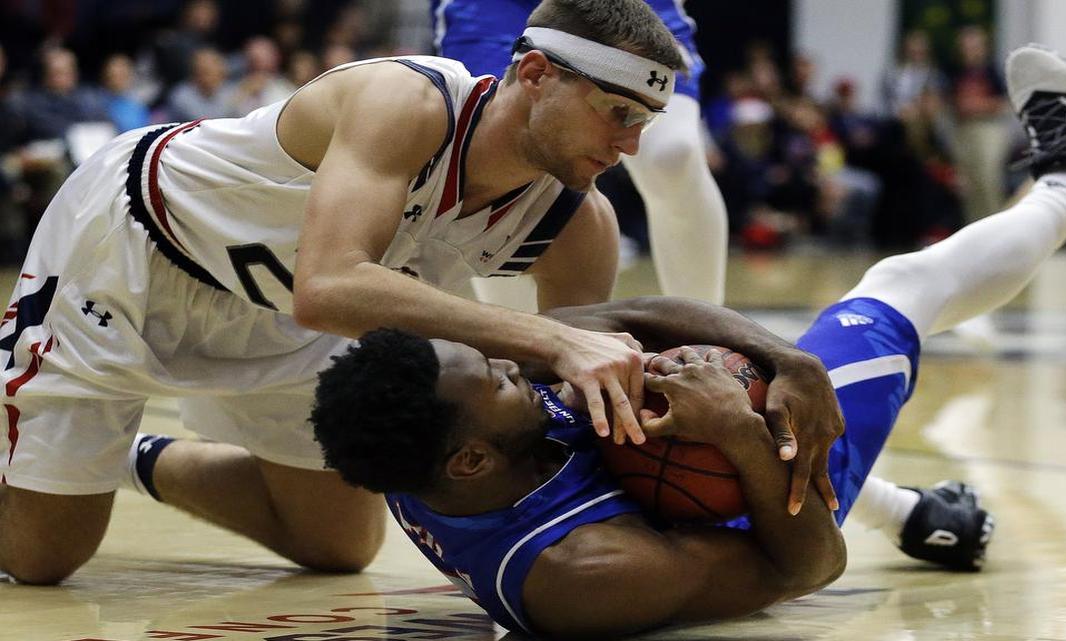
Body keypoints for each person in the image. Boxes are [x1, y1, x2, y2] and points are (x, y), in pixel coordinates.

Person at [0, 0, 843, 586]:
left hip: (290, 316)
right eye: (615, 112)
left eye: (643, 125)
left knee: (334, 545)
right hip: (137, 256)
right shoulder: (405, 100)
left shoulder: (576, 224)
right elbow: (329, 285)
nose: (627, 145)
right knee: (44, 561)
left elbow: (567, 405)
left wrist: (748, 388)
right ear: (538, 74)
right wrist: (548, 338)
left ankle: (134, 456)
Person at [310, 45, 1066, 638]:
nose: (511, 361)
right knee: (900, 291)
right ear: (472, 462)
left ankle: (919, 514)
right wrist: (738, 430)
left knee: (741, 339)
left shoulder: (446, 422)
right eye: (498, 379)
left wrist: (786, 359)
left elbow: (645, 310)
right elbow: (807, 566)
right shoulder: (582, 574)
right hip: (766, 505)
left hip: (687, 468)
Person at [431, 0, 729, 307]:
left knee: (671, 155)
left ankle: (705, 336)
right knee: (510, 145)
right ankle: (512, 337)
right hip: (499, 8)